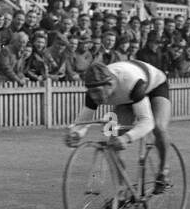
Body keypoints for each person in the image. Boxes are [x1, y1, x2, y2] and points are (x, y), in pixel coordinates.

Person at [65, 60, 174, 193]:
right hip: (126, 98)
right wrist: (76, 134)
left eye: (97, 92)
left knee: (158, 127)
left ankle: (164, 172)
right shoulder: (94, 90)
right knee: (112, 143)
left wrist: (127, 138)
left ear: (109, 84)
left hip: (154, 85)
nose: (94, 97)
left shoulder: (132, 82)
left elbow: (147, 122)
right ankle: (122, 191)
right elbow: (83, 121)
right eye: (91, 92)